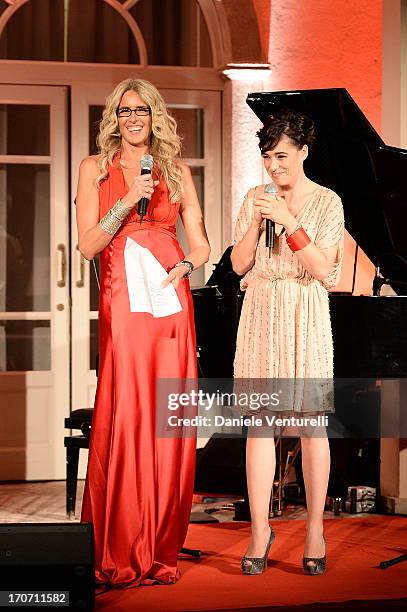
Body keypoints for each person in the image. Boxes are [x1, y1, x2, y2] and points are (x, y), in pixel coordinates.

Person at [76, 78, 210, 587]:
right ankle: (120, 546)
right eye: (125, 111)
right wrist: (127, 198)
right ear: (114, 116)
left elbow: (199, 243)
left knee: (167, 415)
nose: (134, 119)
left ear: (156, 117)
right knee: (129, 411)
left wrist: (187, 267)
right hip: (123, 297)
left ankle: (158, 547)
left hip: (169, 295)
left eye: (143, 111)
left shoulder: (175, 171)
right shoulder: (96, 168)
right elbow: (88, 245)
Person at [231, 107, 344, 576]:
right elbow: (238, 265)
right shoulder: (254, 198)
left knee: (310, 425)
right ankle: (260, 529)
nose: (273, 166)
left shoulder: (328, 201)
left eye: (280, 156)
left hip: (305, 313)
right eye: (266, 157)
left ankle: (315, 529)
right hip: (261, 314)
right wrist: (258, 224)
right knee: (260, 427)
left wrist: (289, 222)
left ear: (302, 152)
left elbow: (325, 270)